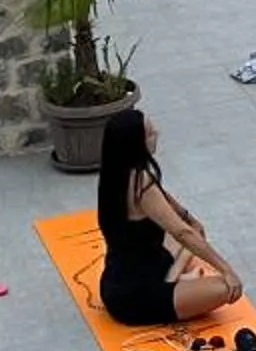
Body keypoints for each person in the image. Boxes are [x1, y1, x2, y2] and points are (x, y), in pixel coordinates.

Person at [93, 107, 243, 326]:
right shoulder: (140, 184)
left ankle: (174, 277)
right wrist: (227, 270)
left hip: (119, 280)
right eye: (151, 133)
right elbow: (181, 232)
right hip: (137, 297)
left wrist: (187, 216)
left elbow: (170, 206)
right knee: (225, 288)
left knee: (195, 233)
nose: (157, 134)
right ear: (136, 143)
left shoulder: (115, 172)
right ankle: (174, 283)